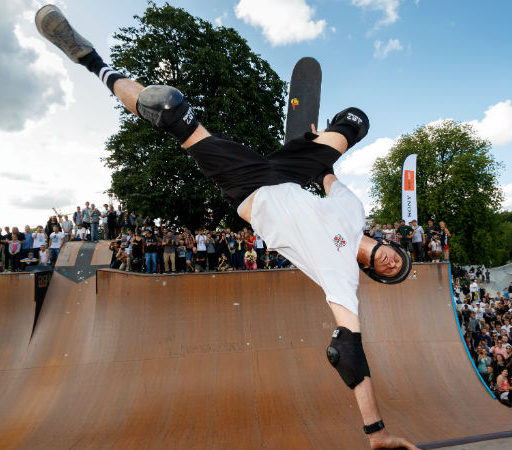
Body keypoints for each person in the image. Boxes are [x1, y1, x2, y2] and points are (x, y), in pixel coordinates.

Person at [36, 7, 415, 449]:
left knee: (169, 109)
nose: (391, 263)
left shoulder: (342, 280)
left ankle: (89, 59)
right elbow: (327, 176)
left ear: (373, 273)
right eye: (398, 260)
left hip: (251, 188)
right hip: (296, 172)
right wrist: (315, 143)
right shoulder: (354, 210)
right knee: (356, 120)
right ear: (392, 245)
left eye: (389, 272)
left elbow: (347, 352)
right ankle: (302, 136)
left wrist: (377, 432)